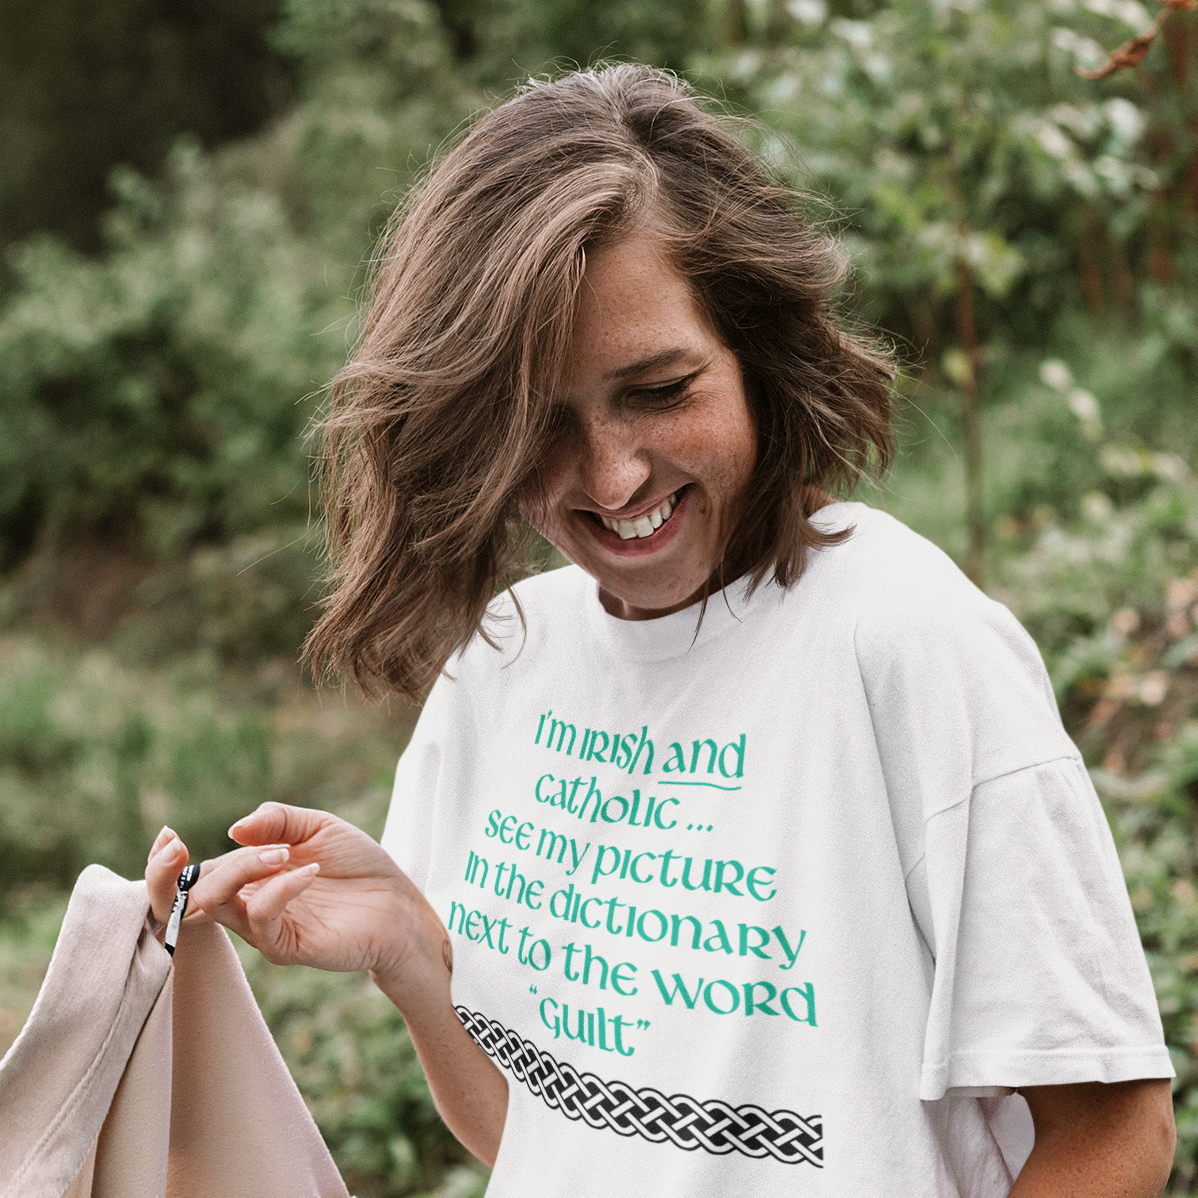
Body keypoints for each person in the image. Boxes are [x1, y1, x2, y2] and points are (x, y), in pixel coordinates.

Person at [145, 65, 1176, 1195]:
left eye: (659, 389)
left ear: (758, 352)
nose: (612, 474)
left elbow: (1112, 1137)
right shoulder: (508, 658)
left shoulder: (908, 643)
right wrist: (405, 948)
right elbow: (530, 1134)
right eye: (539, 425)